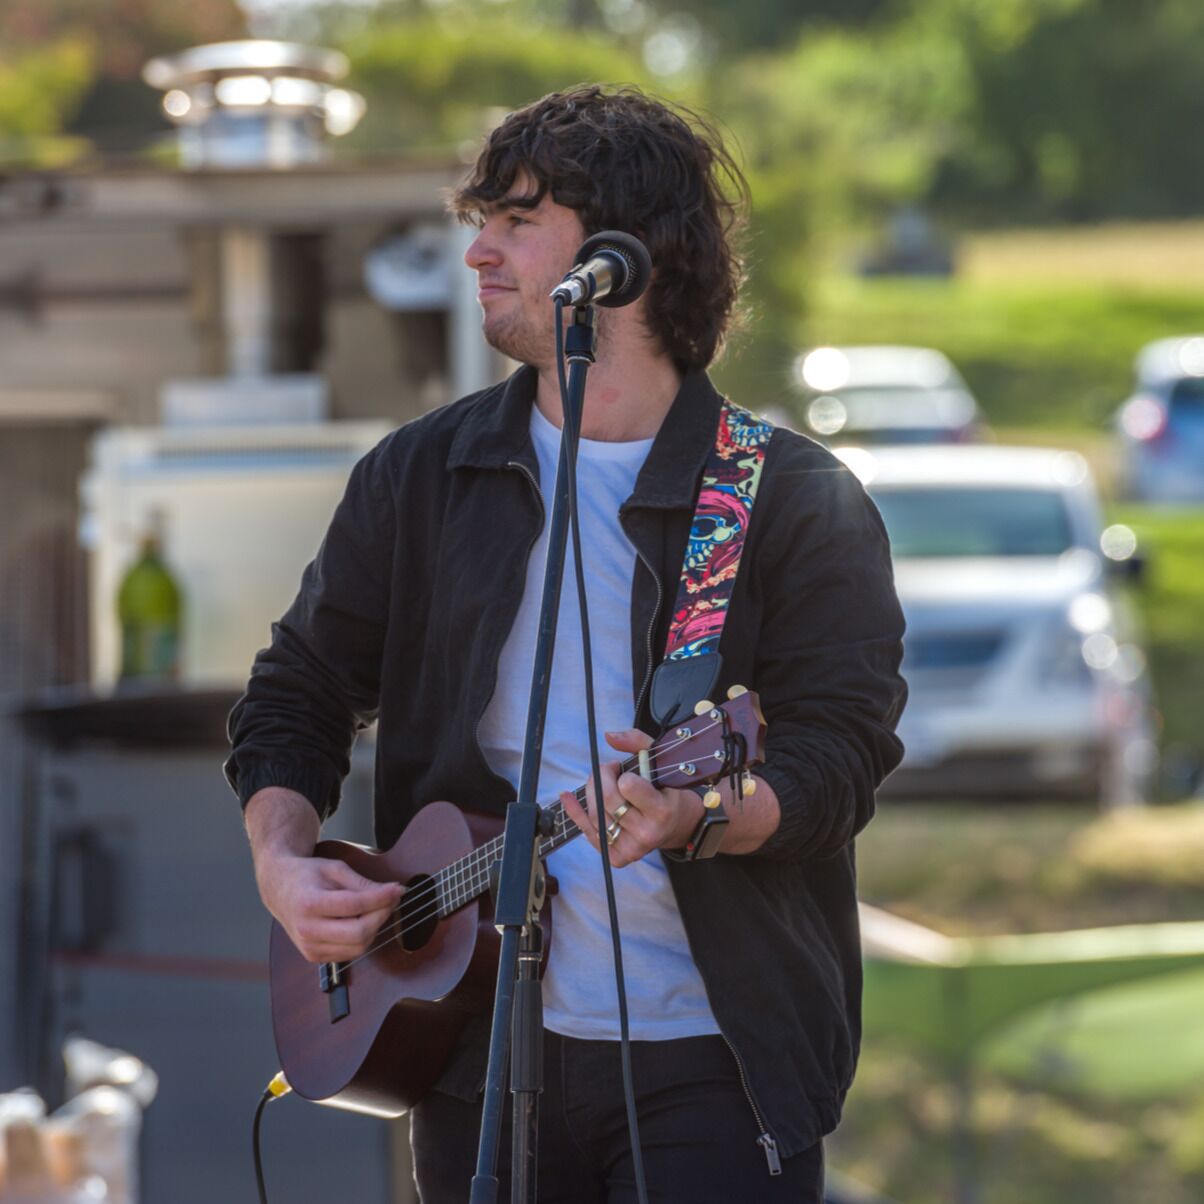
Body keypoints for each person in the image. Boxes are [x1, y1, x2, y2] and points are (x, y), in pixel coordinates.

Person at [226, 85, 907, 1203]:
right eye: (478, 221)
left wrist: (700, 813)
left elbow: (835, 757)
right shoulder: (421, 475)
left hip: (713, 1061)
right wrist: (283, 862)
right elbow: (295, 689)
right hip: (471, 1051)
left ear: (622, 260)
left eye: (514, 221)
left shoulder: (786, 498)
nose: (476, 255)